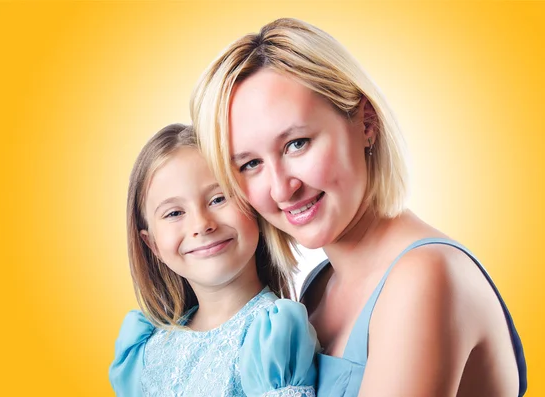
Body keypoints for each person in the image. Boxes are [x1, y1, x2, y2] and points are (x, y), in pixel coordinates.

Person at [191, 18, 527, 397]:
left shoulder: (426, 278)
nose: (282, 188)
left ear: (366, 122)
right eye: (250, 164)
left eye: (297, 143)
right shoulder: (320, 285)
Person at [109, 123, 318, 397]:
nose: (201, 225)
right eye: (174, 213)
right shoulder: (146, 352)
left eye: (219, 199)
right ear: (152, 245)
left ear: (252, 205)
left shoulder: (274, 339)